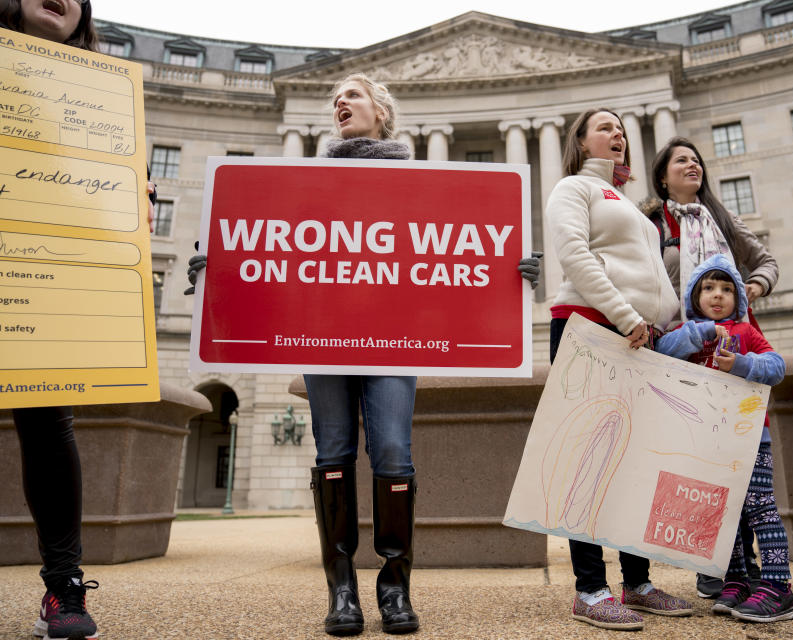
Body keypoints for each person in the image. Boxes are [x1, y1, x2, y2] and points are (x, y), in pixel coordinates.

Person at [185, 73, 540, 635]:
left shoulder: (420, 181)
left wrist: (514, 273)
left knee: (394, 453)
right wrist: (218, 267)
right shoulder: (306, 180)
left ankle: (394, 587)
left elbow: (459, 250)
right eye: (336, 97)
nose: (339, 101)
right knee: (333, 452)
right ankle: (342, 589)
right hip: (321, 334)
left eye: (352, 94)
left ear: (382, 109)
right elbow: (272, 241)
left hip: (395, 339)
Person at [1, 1, 156, 638]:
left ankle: (64, 588)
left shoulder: (98, 92)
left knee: (47, 424)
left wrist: (134, 193)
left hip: (43, 279)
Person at [545, 107, 688, 631]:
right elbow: (574, 256)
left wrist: (666, 324)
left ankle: (637, 582)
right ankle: (590, 588)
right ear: (581, 143)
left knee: (635, 462)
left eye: (622, 130)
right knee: (590, 460)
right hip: (590, 327)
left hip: (641, 338)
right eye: (605, 128)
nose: (619, 136)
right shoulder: (573, 189)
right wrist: (628, 316)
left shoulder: (628, 203)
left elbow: (653, 276)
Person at [655, 254, 793, 623]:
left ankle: (778, 586)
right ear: (694, 297)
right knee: (723, 514)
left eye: (726, 289)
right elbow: (661, 352)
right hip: (707, 441)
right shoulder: (688, 334)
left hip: (750, 437)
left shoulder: (746, 332)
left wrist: (741, 364)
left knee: (759, 506)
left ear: (738, 298)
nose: (717, 295)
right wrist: (700, 332)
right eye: (708, 288)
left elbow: (777, 367)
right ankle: (735, 581)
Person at [649, 138, 778, 315]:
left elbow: (767, 263)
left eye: (696, 161)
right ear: (662, 176)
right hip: (675, 336)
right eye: (682, 160)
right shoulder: (651, 224)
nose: (693, 165)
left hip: (729, 335)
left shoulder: (724, 219)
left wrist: (757, 285)